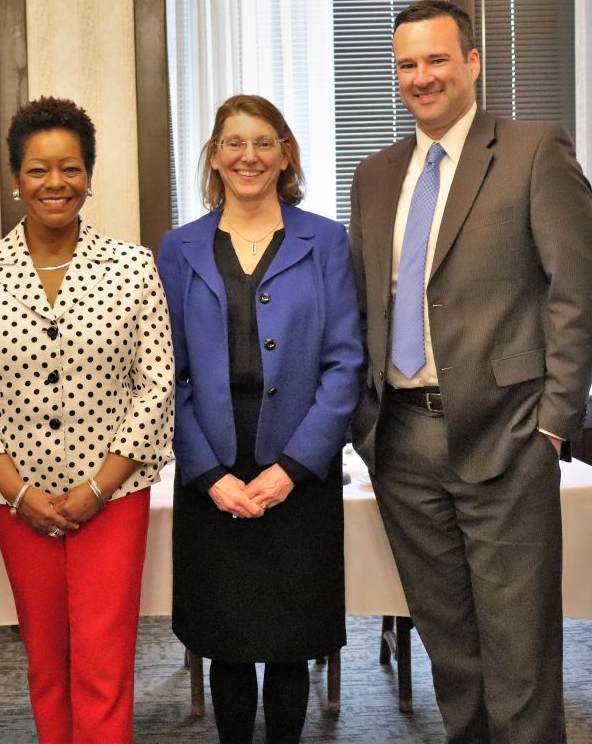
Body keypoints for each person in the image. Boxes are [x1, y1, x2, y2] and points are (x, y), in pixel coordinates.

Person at [349, 0, 592, 743]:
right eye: (406, 64)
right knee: (452, 651)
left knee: (519, 654)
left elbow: (578, 292)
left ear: (472, 61)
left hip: (508, 438)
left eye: (436, 59)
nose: (421, 77)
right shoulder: (374, 176)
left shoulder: (532, 151)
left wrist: (554, 426)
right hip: (401, 446)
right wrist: (365, 431)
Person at [0, 96, 174, 744]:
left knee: (103, 666)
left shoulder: (133, 267)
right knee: (46, 663)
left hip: (114, 495)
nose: (55, 183)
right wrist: (17, 492)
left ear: (90, 176)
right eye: (38, 170)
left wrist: (98, 486)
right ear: (15, 178)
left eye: (70, 168)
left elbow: (155, 386)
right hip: (16, 498)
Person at [158, 94, 363, 744]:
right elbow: (169, 374)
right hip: (211, 467)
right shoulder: (179, 247)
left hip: (299, 468)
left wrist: (294, 468)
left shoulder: (326, 240)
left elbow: (345, 365)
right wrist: (207, 472)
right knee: (228, 636)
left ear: (285, 155)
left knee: (289, 636)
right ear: (215, 156)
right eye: (233, 142)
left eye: (263, 142)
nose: (248, 155)